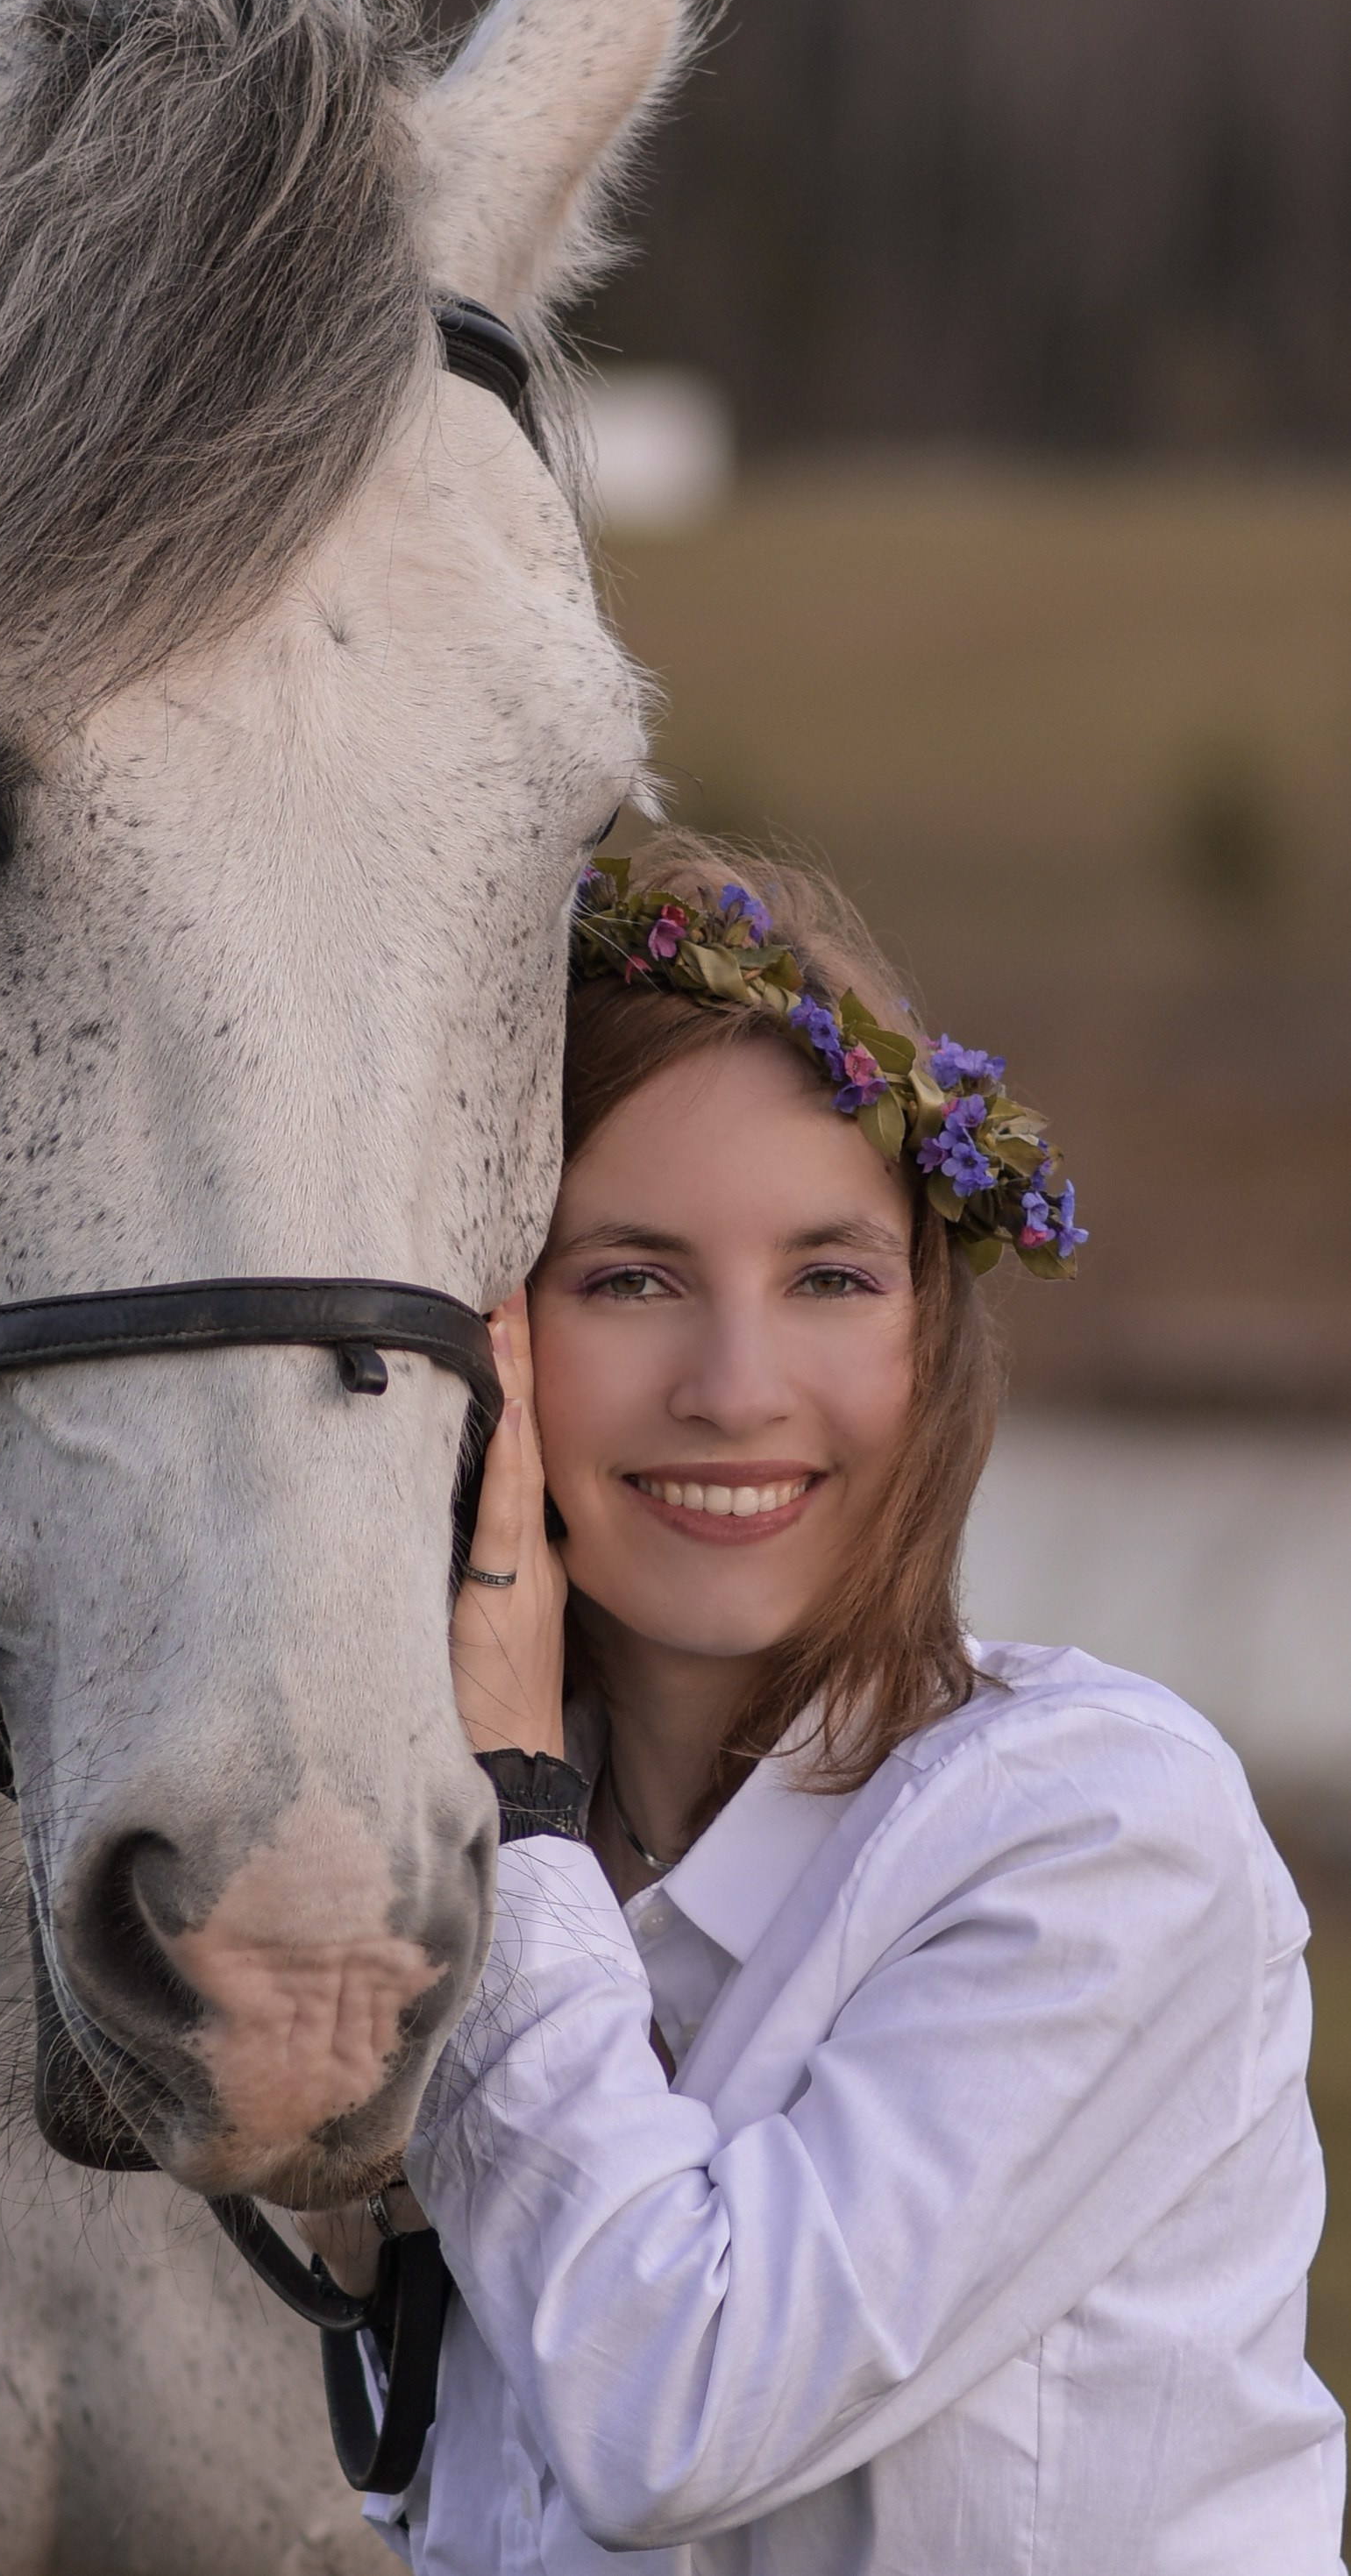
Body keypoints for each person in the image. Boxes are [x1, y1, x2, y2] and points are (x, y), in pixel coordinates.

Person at [322, 834, 1346, 2573]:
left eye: (831, 1278)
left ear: (928, 1336)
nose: (735, 1388)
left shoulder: (1099, 1834)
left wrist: (510, 1794)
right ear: (489, 1342)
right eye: (630, 1277)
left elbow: (669, 2403)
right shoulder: (478, 1879)